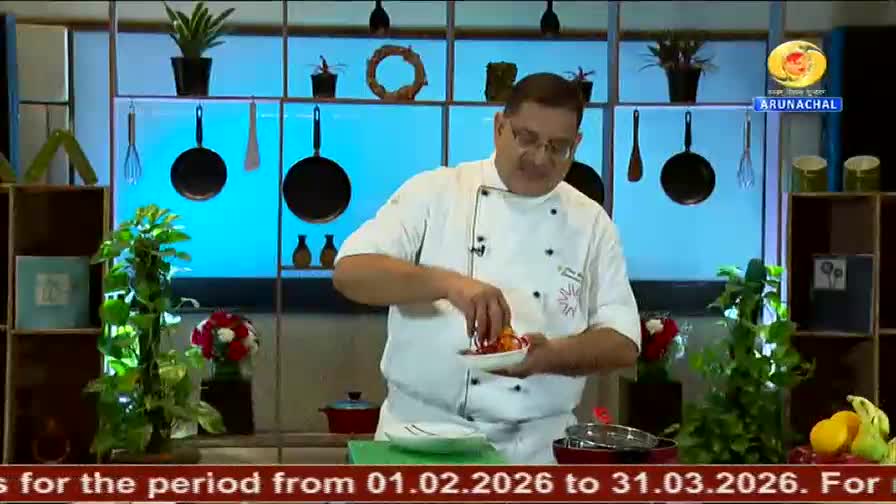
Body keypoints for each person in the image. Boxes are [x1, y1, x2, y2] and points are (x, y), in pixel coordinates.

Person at [332, 72, 640, 464]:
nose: (540, 158)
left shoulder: (591, 223)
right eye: (526, 138)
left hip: (533, 453)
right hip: (418, 441)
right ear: (499, 127)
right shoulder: (436, 192)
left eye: (557, 147)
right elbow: (351, 273)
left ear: (576, 145)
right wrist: (450, 284)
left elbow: (623, 342)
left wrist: (551, 356)